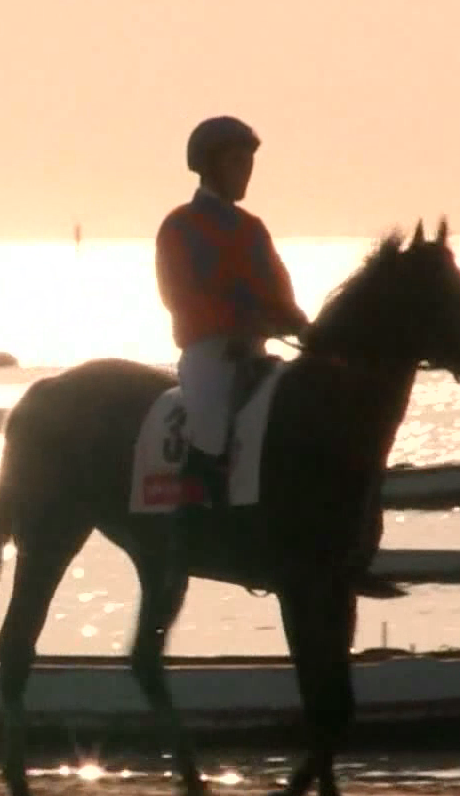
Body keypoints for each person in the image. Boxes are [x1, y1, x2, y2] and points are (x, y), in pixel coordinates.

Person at [154, 115, 309, 511]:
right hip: (211, 354)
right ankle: (193, 514)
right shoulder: (180, 226)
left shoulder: (253, 228)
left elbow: (279, 294)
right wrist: (235, 328)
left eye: (249, 164)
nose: (246, 173)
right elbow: (181, 296)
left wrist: (305, 329)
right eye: (237, 163)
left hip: (255, 353)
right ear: (209, 165)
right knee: (210, 429)